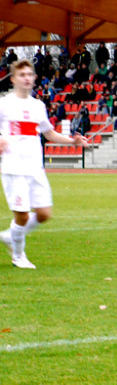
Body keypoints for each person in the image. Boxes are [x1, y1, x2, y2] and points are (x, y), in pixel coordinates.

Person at [0, 60, 88, 269]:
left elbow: (48, 133)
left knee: (44, 214)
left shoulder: (38, 106)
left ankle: (9, 236)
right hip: (14, 168)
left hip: (35, 168)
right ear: (13, 79)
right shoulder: (4, 103)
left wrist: (72, 141)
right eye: (22, 75)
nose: (27, 78)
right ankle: (18, 256)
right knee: (21, 216)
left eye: (30, 74)